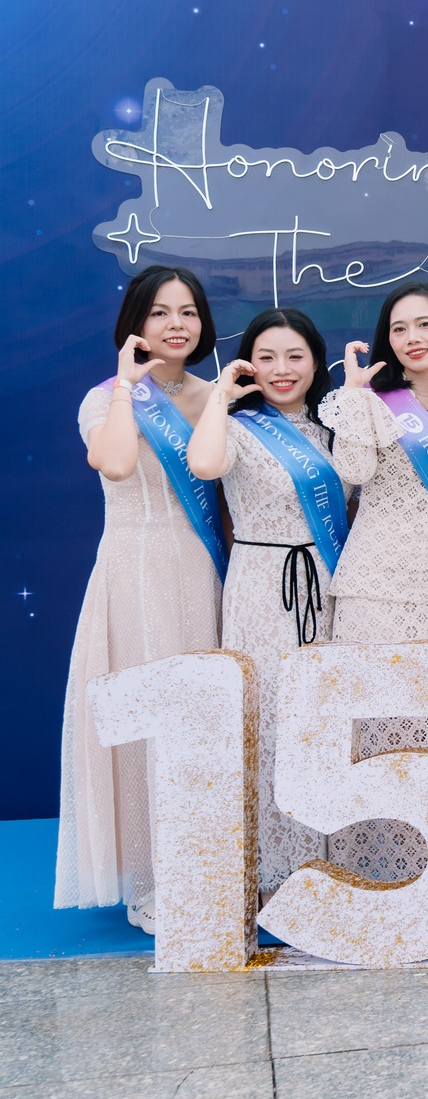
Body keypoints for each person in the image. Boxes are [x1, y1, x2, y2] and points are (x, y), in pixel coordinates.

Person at [56, 266, 224, 931]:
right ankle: (152, 879)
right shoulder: (106, 399)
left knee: (207, 721)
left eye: (188, 311)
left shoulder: (217, 394)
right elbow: (118, 463)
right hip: (135, 571)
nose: (176, 324)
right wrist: (128, 387)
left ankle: (208, 865)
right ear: (135, 322)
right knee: (150, 723)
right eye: (160, 312)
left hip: (204, 569)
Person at [318, 282, 428, 884]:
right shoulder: (372, 401)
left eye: (424, 324)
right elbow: (353, 470)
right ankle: (372, 870)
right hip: (374, 584)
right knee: (375, 725)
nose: (413, 338)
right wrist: (355, 396)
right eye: (399, 328)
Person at [186, 308, 340, 900]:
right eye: (267, 357)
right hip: (259, 586)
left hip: (325, 582)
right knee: (269, 719)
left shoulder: (333, 426)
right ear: (248, 363)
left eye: (295, 356)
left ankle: (326, 859)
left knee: (322, 721)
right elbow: (204, 464)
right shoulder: (237, 426)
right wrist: (221, 397)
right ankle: (273, 866)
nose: (282, 369)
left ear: (315, 361)